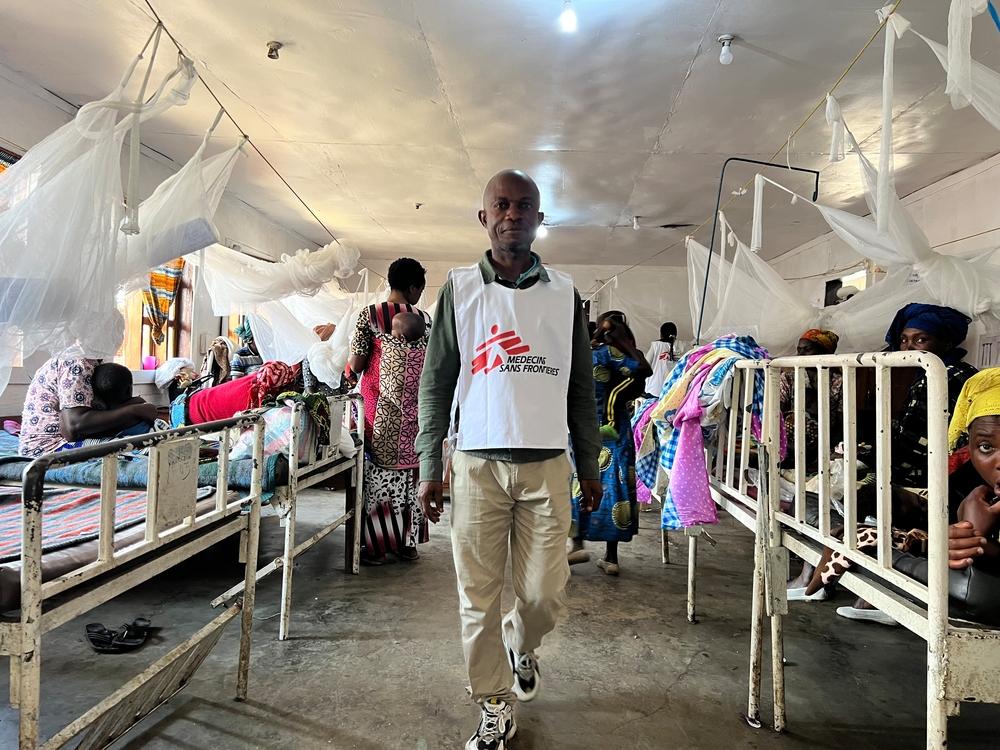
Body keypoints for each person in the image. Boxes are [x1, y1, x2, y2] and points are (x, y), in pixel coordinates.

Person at [415, 169, 602, 750]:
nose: (513, 214)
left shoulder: (564, 293)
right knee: (477, 597)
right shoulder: (460, 289)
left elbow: (579, 388)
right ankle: (493, 703)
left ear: (539, 218)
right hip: (476, 467)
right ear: (484, 217)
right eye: (502, 204)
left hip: (547, 465)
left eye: (525, 205)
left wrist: (590, 464)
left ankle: (524, 645)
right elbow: (435, 382)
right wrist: (430, 465)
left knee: (544, 594)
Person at [789, 369, 1000, 627]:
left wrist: (976, 540)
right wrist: (951, 537)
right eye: (986, 447)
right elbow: (943, 524)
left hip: (982, 586)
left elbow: (975, 570)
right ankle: (830, 565)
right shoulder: (968, 480)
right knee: (873, 497)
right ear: (970, 447)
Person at [349, 257, 432, 564]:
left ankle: (377, 547)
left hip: (379, 412)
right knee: (411, 476)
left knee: (380, 477)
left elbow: (357, 363)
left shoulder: (369, 316)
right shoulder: (425, 320)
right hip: (417, 414)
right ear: (413, 287)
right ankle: (408, 544)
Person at [569, 311, 651, 575]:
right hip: (615, 430)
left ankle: (576, 543)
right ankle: (611, 557)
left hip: (584, 428)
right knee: (615, 488)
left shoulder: (585, 352)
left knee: (579, 482)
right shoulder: (613, 354)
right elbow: (641, 369)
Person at [883, 303, 978, 489]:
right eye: (903, 340)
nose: (908, 347)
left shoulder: (939, 376)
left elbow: (913, 443)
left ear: (947, 344)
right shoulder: (963, 370)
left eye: (920, 340)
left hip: (936, 476)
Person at [19, 356, 159, 457]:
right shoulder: (76, 363)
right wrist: (134, 409)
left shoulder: (93, 362)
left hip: (67, 436)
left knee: (142, 433)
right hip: (48, 449)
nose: (119, 337)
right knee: (136, 446)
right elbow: (73, 428)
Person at [779, 329, 843, 472]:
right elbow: (777, 412)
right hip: (788, 443)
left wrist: (827, 447)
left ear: (824, 353)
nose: (800, 355)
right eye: (799, 350)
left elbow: (841, 421)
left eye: (807, 349)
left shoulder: (839, 382)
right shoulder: (789, 378)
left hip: (825, 441)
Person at [644, 321, 680, 398]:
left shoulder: (656, 345)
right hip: (671, 391)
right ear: (675, 335)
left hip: (654, 389)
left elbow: (645, 365)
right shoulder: (680, 347)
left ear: (661, 334)